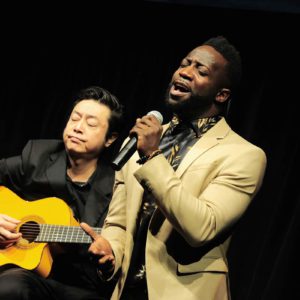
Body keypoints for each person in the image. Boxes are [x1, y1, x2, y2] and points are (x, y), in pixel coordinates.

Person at [82, 36, 267, 300]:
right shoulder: (142, 139)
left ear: (221, 94)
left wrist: (153, 155)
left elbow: (201, 228)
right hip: (126, 291)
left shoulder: (243, 156)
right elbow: (120, 222)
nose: (185, 72)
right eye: (184, 63)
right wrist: (110, 251)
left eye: (200, 70)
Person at [0, 85, 124, 300]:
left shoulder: (118, 185)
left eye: (91, 123)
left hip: (81, 285)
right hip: (23, 274)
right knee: (11, 287)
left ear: (110, 139)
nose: (77, 127)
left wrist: (110, 257)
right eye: (75, 118)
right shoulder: (37, 156)